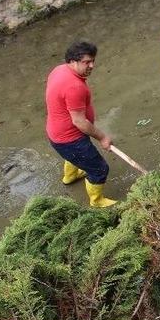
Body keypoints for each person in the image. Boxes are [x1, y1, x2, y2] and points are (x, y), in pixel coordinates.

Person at [45, 41, 117, 208]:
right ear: (72, 61)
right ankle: (96, 200)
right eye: (86, 62)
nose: (92, 66)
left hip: (56, 132)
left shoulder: (59, 70)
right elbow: (79, 122)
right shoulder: (74, 86)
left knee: (74, 157)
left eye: (93, 61)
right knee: (99, 169)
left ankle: (70, 176)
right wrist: (103, 137)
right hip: (70, 139)